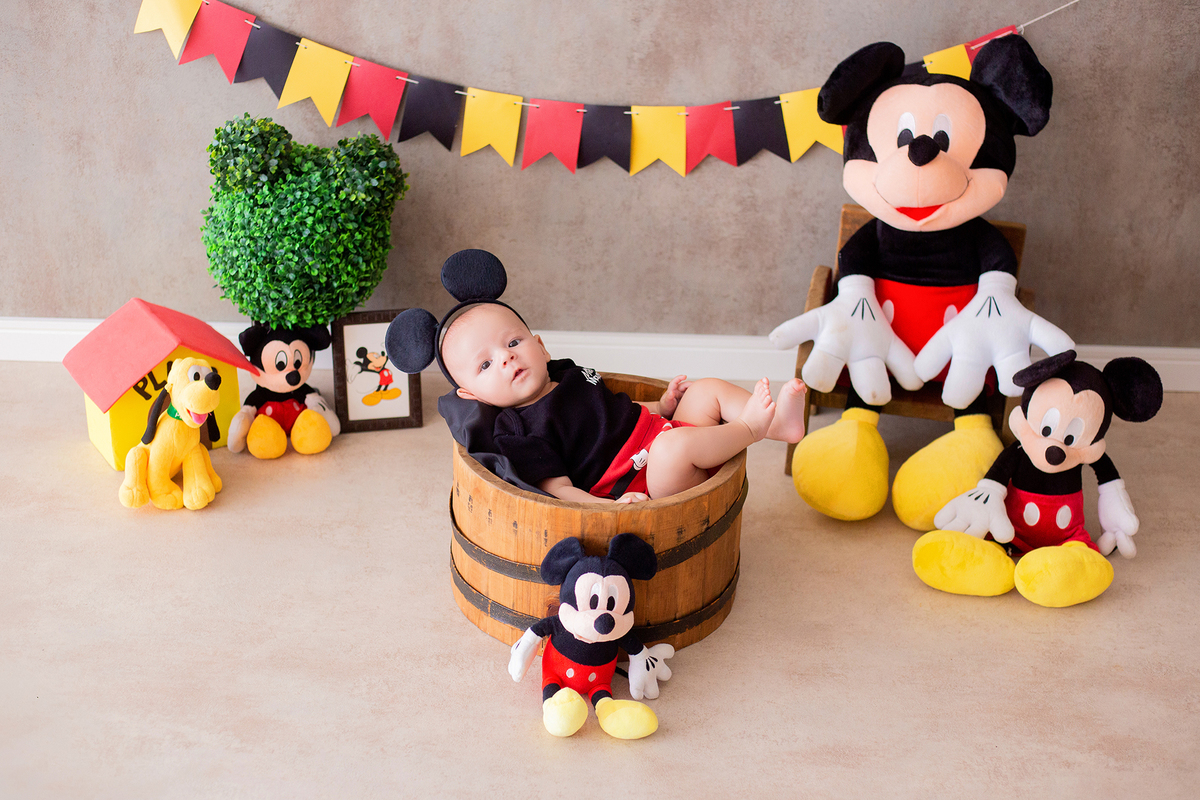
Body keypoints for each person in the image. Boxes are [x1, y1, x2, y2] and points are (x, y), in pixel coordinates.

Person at [439, 301, 807, 503]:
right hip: (642, 483)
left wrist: (662, 407)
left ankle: (781, 426)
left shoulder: (567, 373)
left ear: (541, 346)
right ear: (471, 395)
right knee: (672, 448)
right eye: (485, 365)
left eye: (513, 342)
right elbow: (560, 491)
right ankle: (750, 428)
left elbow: (614, 411)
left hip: (660, 434)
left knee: (705, 389)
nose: (506, 358)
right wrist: (611, 510)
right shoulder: (516, 431)